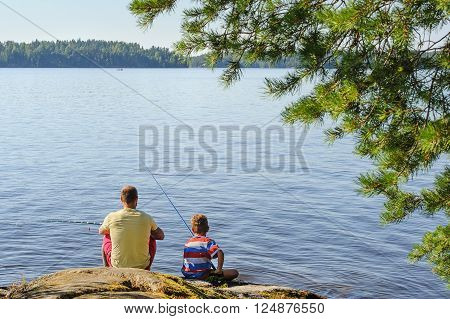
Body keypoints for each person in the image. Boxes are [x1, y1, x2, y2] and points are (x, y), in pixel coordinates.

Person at [99, 185, 164, 270]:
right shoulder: (147, 217)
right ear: (136, 199)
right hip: (142, 265)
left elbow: (101, 231)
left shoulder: (111, 216)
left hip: (117, 265)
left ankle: (107, 269)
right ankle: (147, 269)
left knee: (107, 236)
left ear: (121, 199)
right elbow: (161, 236)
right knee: (152, 239)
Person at [181, 214, 239, 280]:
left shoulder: (187, 243)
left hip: (187, 273)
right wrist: (219, 269)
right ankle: (216, 274)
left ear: (192, 230)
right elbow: (220, 253)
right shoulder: (208, 242)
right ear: (208, 229)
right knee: (234, 272)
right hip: (202, 275)